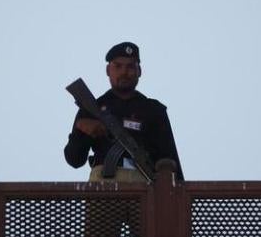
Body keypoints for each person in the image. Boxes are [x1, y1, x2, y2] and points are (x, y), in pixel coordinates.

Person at [64, 42, 184, 183]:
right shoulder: (92, 108)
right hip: (102, 187)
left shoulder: (154, 110)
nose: (124, 72)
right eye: (118, 66)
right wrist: (81, 132)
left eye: (130, 67)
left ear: (139, 71)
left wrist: (175, 194)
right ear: (108, 70)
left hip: (143, 185)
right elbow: (74, 160)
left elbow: (169, 159)